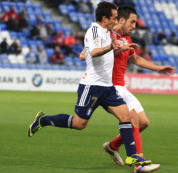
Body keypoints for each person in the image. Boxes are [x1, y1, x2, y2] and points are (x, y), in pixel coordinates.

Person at [27, 2, 151, 168]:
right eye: (114, 18)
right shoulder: (94, 31)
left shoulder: (107, 32)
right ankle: (44, 120)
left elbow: (106, 54)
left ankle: (133, 156)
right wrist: (111, 46)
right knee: (79, 124)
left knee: (127, 116)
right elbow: (93, 52)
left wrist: (120, 49)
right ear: (104, 18)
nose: (116, 21)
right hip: (91, 86)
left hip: (108, 87)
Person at [80, 5, 175, 172]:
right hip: (109, 86)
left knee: (144, 122)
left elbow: (136, 59)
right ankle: (139, 163)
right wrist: (113, 50)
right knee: (133, 119)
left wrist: (158, 68)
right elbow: (84, 54)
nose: (134, 26)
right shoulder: (107, 34)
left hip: (122, 86)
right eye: (132, 22)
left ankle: (112, 146)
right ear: (121, 20)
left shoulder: (127, 39)